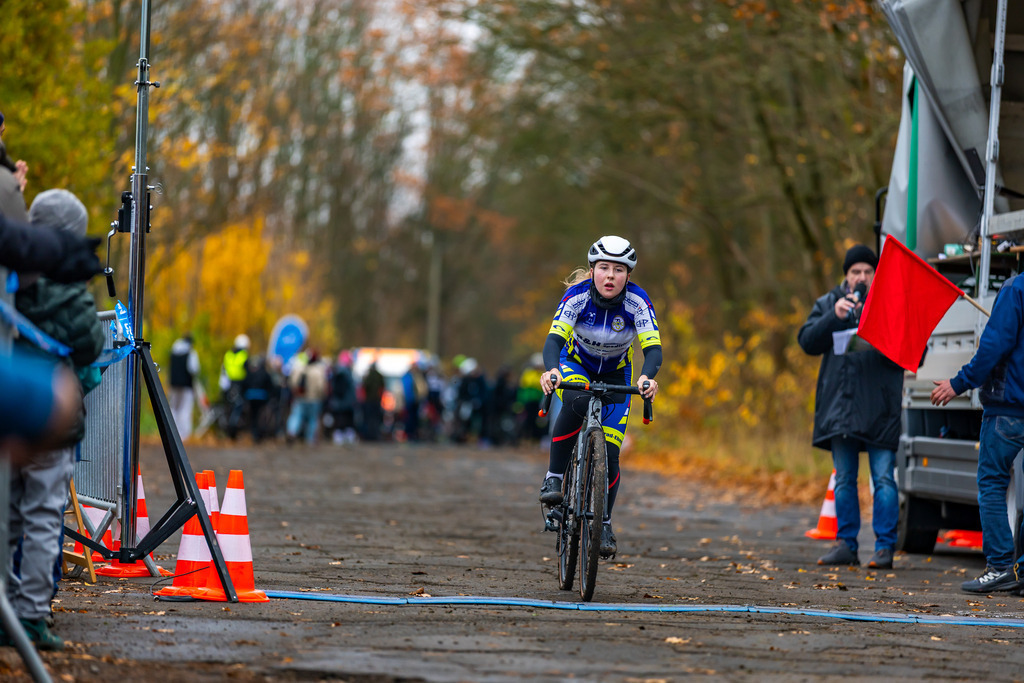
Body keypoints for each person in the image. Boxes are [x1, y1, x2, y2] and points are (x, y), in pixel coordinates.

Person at [6, 189, 106, 651]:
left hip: (10, 417)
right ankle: (30, 616)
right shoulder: (75, 297)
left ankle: (4, 605)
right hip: (54, 425)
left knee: (6, 515)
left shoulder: (13, 282)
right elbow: (89, 346)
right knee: (45, 517)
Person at [538, 236, 661, 558]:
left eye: (618, 270)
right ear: (592, 271)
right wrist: (552, 371)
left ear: (628, 277)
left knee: (610, 449)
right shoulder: (576, 297)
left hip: (616, 372)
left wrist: (647, 377)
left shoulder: (638, 301)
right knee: (577, 401)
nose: (610, 276)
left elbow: (653, 349)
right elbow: (552, 343)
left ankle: (603, 522)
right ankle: (553, 480)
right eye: (604, 268)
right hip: (575, 362)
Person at [797, 243, 902, 569]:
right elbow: (807, 342)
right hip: (841, 408)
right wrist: (834, 317)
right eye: (856, 271)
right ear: (846, 275)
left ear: (875, 276)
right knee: (844, 479)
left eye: (868, 272)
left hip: (880, 407)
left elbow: (909, 348)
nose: (861, 277)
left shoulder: (888, 304)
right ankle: (846, 545)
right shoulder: (829, 303)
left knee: (883, 479)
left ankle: (884, 548)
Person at [931, 269, 1024, 593]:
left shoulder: (1015, 289)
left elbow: (994, 346)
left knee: (992, 485)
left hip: (1008, 409)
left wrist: (958, 382)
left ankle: (1000, 566)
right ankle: (1021, 570)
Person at [286, 348, 329, 444]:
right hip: (314, 399)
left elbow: (292, 382)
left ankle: (292, 432)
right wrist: (322, 396)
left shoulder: (300, 369)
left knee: (296, 416)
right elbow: (321, 387)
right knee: (312, 420)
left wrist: (296, 392)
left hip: (300, 398)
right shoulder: (319, 371)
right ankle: (309, 440)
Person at [169, 332, 201, 440]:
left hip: (174, 385)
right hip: (186, 385)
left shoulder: (173, 351)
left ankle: (172, 432)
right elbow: (194, 369)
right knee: (185, 409)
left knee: (174, 408)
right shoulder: (191, 353)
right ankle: (184, 435)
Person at [220, 334, 250, 439]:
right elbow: (247, 372)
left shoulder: (228, 354)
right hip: (239, 385)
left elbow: (224, 369)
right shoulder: (243, 355)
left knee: (230, 406)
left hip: (228, 384)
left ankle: (227, 428)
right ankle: (233, 429)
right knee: (238, 406)